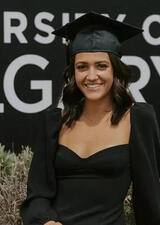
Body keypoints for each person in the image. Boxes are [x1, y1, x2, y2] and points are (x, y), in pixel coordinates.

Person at [20, 12, 160, 225]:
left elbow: (148, 200)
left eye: (101, 66)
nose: (91, 76)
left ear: (115, 69)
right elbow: (37, 194)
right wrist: (45, 221)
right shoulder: (54, 121)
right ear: (73, 72)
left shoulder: (138, 118)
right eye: (82, 66)